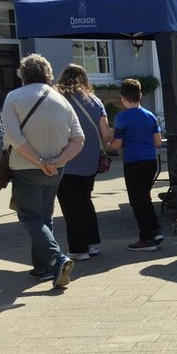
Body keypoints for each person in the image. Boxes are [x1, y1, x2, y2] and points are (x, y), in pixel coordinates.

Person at [1, 54, 86, 289]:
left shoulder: (14, 97)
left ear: (22, 74)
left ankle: (57, 259)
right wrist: (56, 161)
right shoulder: (62, 100)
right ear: (48, 74)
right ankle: (42, 268)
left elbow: (13, 137)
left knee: (30, 217)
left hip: (25, 167)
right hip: (55, 171)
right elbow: (78, 139)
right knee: (44, 219)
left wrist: (39, 161)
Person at [55, 65, 114, 260]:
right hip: (90, 161)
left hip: (66, 159)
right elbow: (105, 134)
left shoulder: (57, 99)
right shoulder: (95, 101)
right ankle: (93, 244)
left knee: (71, 206)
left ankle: (78, 249)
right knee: (86, 201)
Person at [110, 78, 163, 252]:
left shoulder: (121, 118)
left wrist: (110, 143)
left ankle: (146, 238)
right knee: (145, 197)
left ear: (123, 99)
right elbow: (158, 142)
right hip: (150, 161)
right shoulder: (150, 115)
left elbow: (117, 145)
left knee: (137, 201)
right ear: (140, 95)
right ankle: (155, 231)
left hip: (133, 162)